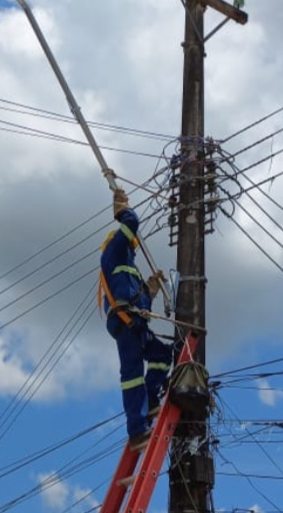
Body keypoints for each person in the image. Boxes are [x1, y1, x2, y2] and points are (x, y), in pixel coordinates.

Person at [100, 186, 172, 450]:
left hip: (136, 322)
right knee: (132, 373)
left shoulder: (129, 267)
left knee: (163, 355)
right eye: (132, 244)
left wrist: (150, 287)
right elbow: (131, 222)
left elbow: (137, 300)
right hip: (126, 323)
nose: (134, 247)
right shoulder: (114, 252)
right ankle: (137, 430)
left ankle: (151, 399)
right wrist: (122, 206)